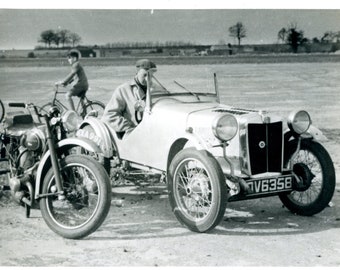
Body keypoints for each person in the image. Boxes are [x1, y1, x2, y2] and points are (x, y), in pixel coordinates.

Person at [102, 59, 156, 138]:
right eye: (145, 75)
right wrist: (129, 128)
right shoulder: (123, 90)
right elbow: (109, 115)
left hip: (152, 132)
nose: (148, 79)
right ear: (137, 73)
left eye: (150, 76)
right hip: (132, 136)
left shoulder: (156, 89)